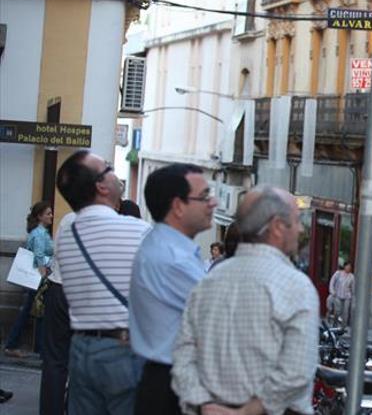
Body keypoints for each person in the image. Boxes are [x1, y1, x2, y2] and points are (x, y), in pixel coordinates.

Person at [172, 185, 319, 415]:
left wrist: (204, 405)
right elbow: (297, 371)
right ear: (278, 227)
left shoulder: (208, 282)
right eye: (297, 220)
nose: (301, 229)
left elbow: (182, 356)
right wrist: (251, 410)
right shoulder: (296, 287)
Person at [54, 149, 151, 415]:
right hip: (123, 349)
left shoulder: (67, 231)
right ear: (101, 186)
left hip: (82, 348)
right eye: (108, 167)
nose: (114, 171)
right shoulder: (137, 230)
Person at [130, 164, 216, 415]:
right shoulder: (173, 258)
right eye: (204, 197)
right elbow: (218, 317)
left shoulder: (169, 247)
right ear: (178, 206)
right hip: (170, 385)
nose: (212, 203)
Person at [3, 201, 53, 358]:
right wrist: (47, 269)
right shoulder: (39, 234)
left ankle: (38, 348)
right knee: (29, 312)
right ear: (39, 216)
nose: (51, 216)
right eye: (48, 213)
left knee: (36, 312)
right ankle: (13, 344)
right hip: (37, 278)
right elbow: (39, 256)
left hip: (35, 278)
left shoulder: (39, 232)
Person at [40, 209, 76, 415]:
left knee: (54, 359)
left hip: (59, 286)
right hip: (83, 293)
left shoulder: (68, 219)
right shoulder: (107, 224)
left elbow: (57, 252)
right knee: (80, 358)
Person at [327, 262, 354, 326]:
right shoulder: (338, 273)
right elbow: (332, 282)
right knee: (337, 311)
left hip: (347, 296)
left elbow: (353, 287)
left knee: (345, 312)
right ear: (344, 266)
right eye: (347, 266)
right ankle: (335, 323)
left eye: (350, 267)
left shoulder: (352, 276)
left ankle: (343, 326)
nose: (348, 268)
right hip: (338, 295)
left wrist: (352, 295)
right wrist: (332, 291)